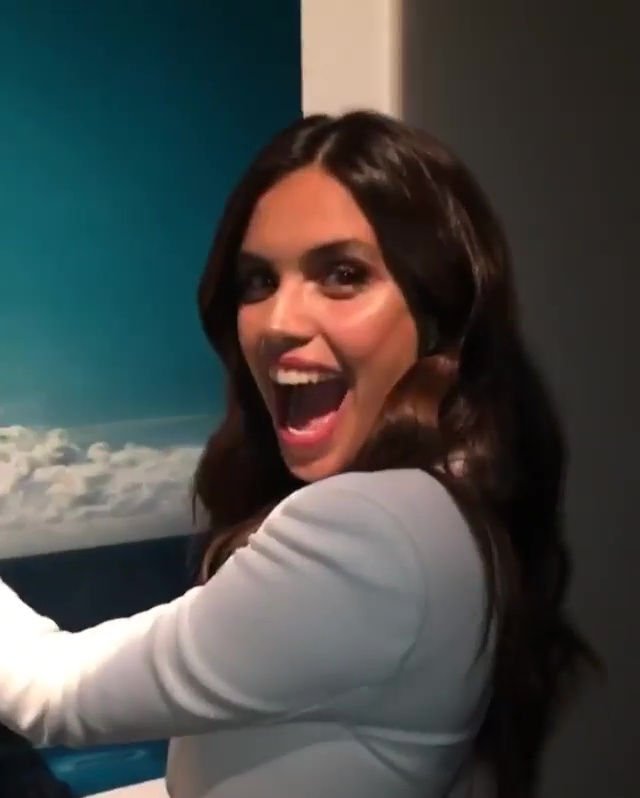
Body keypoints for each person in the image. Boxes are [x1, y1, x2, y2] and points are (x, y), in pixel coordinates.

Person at [0, 111, 600, 798]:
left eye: (343, 274)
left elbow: (55, 695)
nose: (278, 323)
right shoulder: (450, 504)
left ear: (440, 312)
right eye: (258, 282)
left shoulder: (370, 531)